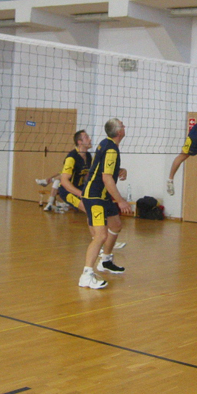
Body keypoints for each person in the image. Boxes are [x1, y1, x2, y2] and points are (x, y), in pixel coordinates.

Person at [78, 118, 131, 289]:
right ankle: (86, 275)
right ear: (119, 132)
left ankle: (105, 261)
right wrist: (121, 201)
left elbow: (102, 168)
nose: (124, 127)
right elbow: (106, 178)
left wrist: (120, 170)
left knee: (115, 226)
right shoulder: (111, 149)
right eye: (122, 125)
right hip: (95, 197)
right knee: (100, 236)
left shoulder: (106, 143)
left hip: (103, 195)